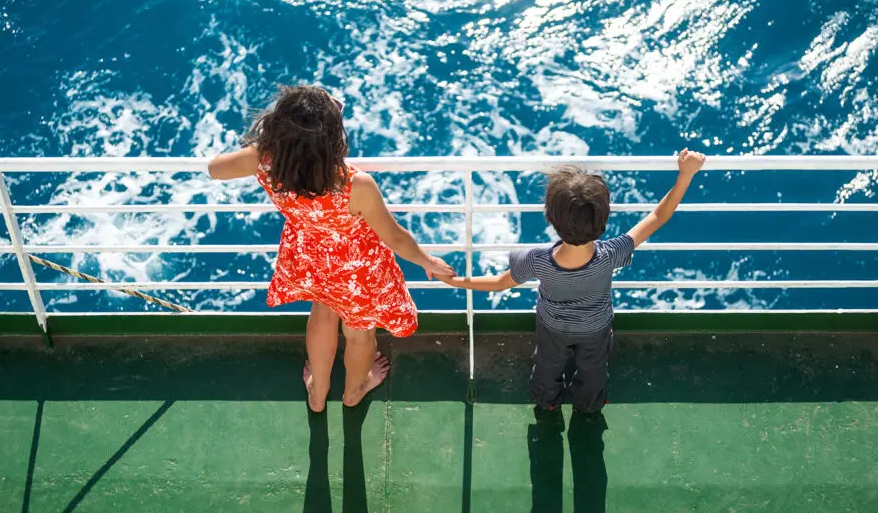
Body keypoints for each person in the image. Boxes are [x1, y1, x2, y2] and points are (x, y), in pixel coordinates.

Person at [208, 85, 454, 411]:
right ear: (332, 137)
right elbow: (394, 237)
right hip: (357, 269)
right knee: (359, 333)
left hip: (309, 256)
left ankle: (318, 394)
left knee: (322, 313)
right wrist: (428, 261)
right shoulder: (354, 184)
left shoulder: (266, 161)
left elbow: (215, 169)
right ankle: (354, 392)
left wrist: (274, 141)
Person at [436, 149, 706, 412]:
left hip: (552, 327)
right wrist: (686, 175)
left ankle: (547, 400)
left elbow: (499, 283)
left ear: (551, 218)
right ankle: (589, 403)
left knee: (547, 365)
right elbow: (659, 216)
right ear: (602, 219)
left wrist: (455, 280)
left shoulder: (536, 259)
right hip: (596, 327)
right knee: (593, 368)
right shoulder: (612, 253)